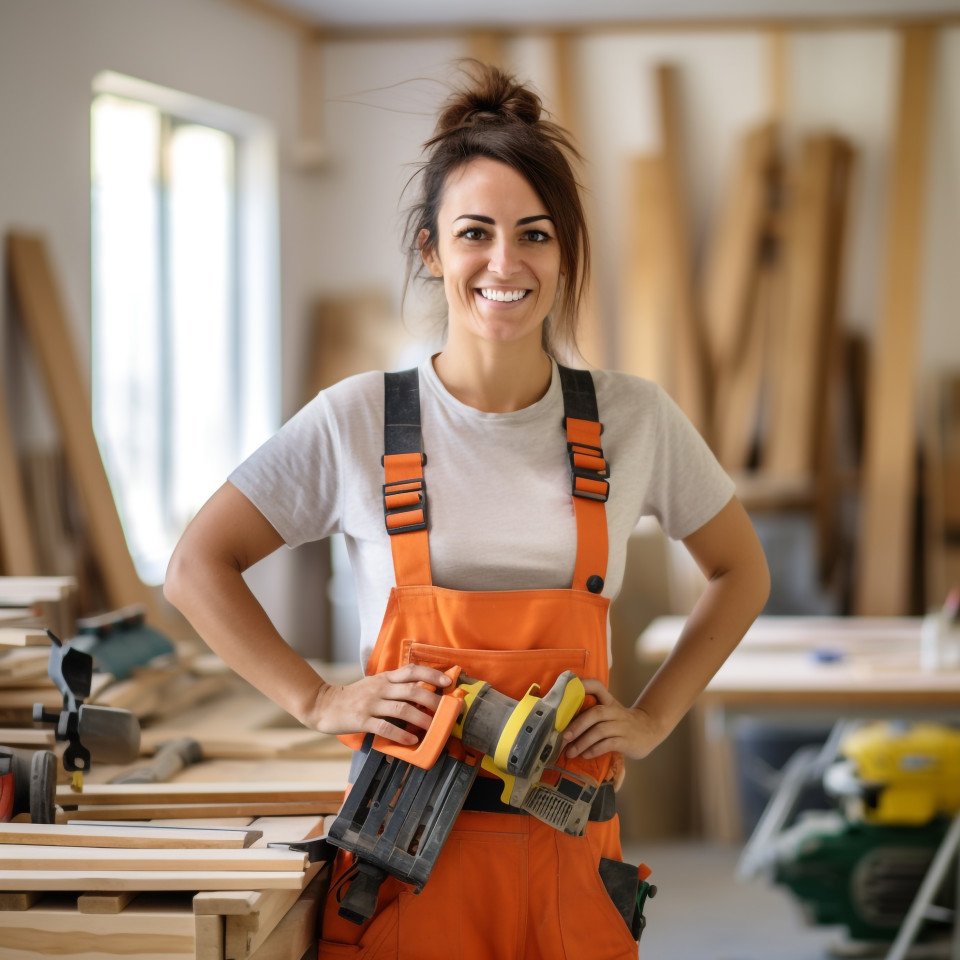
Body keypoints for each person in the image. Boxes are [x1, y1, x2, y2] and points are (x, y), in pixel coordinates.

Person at [164, 61, 770, 960]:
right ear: (431, 251)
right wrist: (317, 699)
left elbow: (741, 571)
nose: (505, 263)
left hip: (572, 860)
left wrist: (653, 716)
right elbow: (194, 568)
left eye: (534, 235)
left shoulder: (632, 418)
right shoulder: (359, 418)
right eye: (474, 233)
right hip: (403, 862)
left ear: (564, 252)